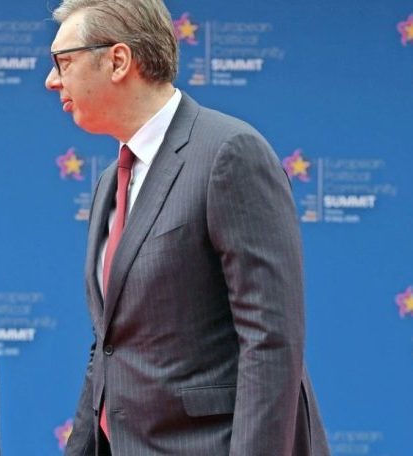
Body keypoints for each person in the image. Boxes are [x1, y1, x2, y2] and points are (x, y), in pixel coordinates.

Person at [45, 1, 330, 455]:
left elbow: (271, 342)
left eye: (63, 61)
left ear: (118, 61)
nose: (52, 80)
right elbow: (108, 345)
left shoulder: (229, 153)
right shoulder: (109, 182)